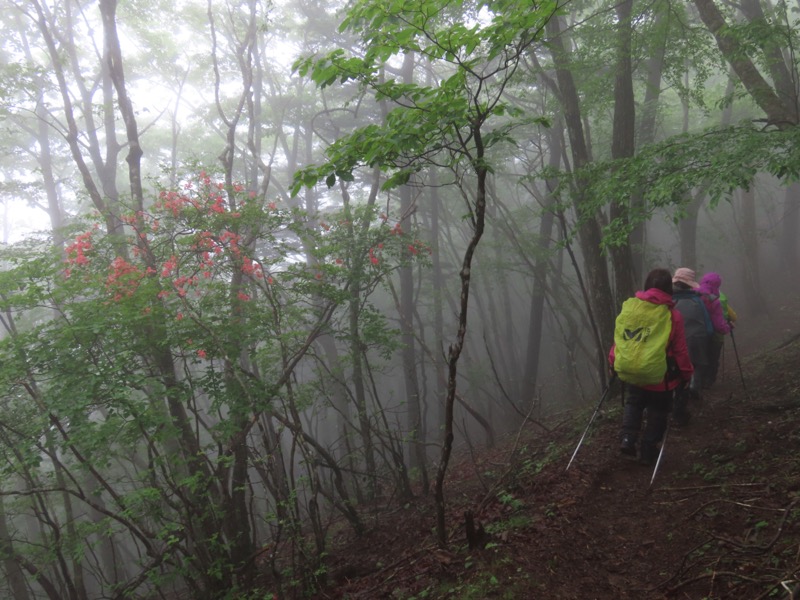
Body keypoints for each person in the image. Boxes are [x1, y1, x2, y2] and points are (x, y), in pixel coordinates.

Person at [609, 268, 694, 465]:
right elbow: (680, 350)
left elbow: (621, 340)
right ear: (668, 289)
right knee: (658, 410)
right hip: (660, 376)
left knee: (634, 402)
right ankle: (648, 450)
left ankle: (628, 439)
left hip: (631, 370)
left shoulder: (630, 308)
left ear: (647, 285)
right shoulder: (672, 316)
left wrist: (613, 361)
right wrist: (686, 374)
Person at [671, 267, 729, 403]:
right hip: (698, 337)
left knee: (678, 364)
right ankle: (695, 387)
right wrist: (715, 332)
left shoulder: (670, 300)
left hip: (676, 338)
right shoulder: (705, 299)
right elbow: (709, 320)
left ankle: (677, 394)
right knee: (698, 363)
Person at [697, 272, 734, 388]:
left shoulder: (693, 294)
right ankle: (708, 382)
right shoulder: (715, 300)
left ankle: (697, 382)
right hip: (714, 336)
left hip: (695, 336)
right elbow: (720, 326)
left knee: (700, 359)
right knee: (712, 359)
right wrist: (729, 327)